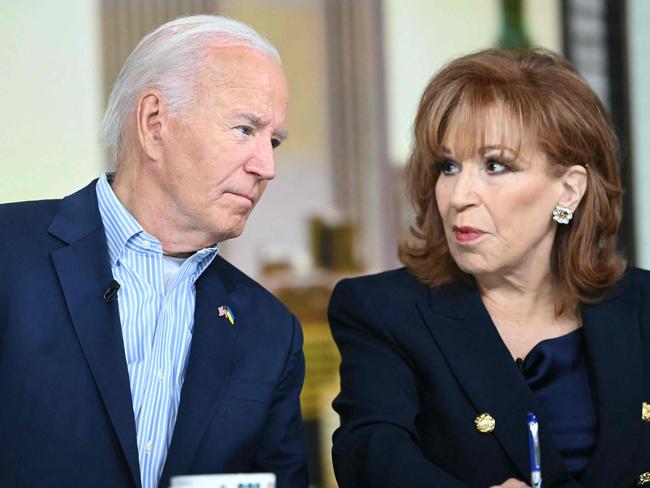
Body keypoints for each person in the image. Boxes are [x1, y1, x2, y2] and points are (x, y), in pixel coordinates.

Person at [0, 15, 308, 488]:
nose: (266, 166)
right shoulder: (9, 254)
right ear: (153, 122)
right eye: (245, 129)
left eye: (274, 141)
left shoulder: (270, 330)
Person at [329, 48, 650, 488]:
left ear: (569, 191)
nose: (459, 195)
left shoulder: (643, 308)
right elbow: (370, 457)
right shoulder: (384, 311)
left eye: (495, 165)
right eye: (448, 166)